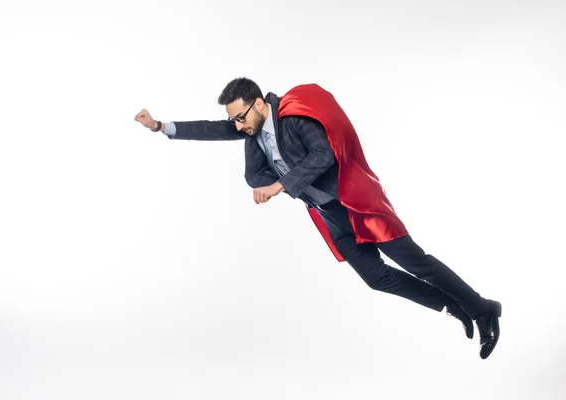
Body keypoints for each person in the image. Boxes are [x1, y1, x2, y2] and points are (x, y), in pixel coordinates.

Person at [134, 77, 502, 359]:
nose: (237, 126)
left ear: (260, 104)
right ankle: (453, 304)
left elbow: (323, 155)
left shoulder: (293, 118)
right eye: (234, 120)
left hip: (355, 204)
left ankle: (484, 310)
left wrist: (280, 185)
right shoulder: (248, 127)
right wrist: (159, 126)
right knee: (376, 278)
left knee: (417, 262)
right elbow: (212, 128)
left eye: (241, 117)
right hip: (329, 214)